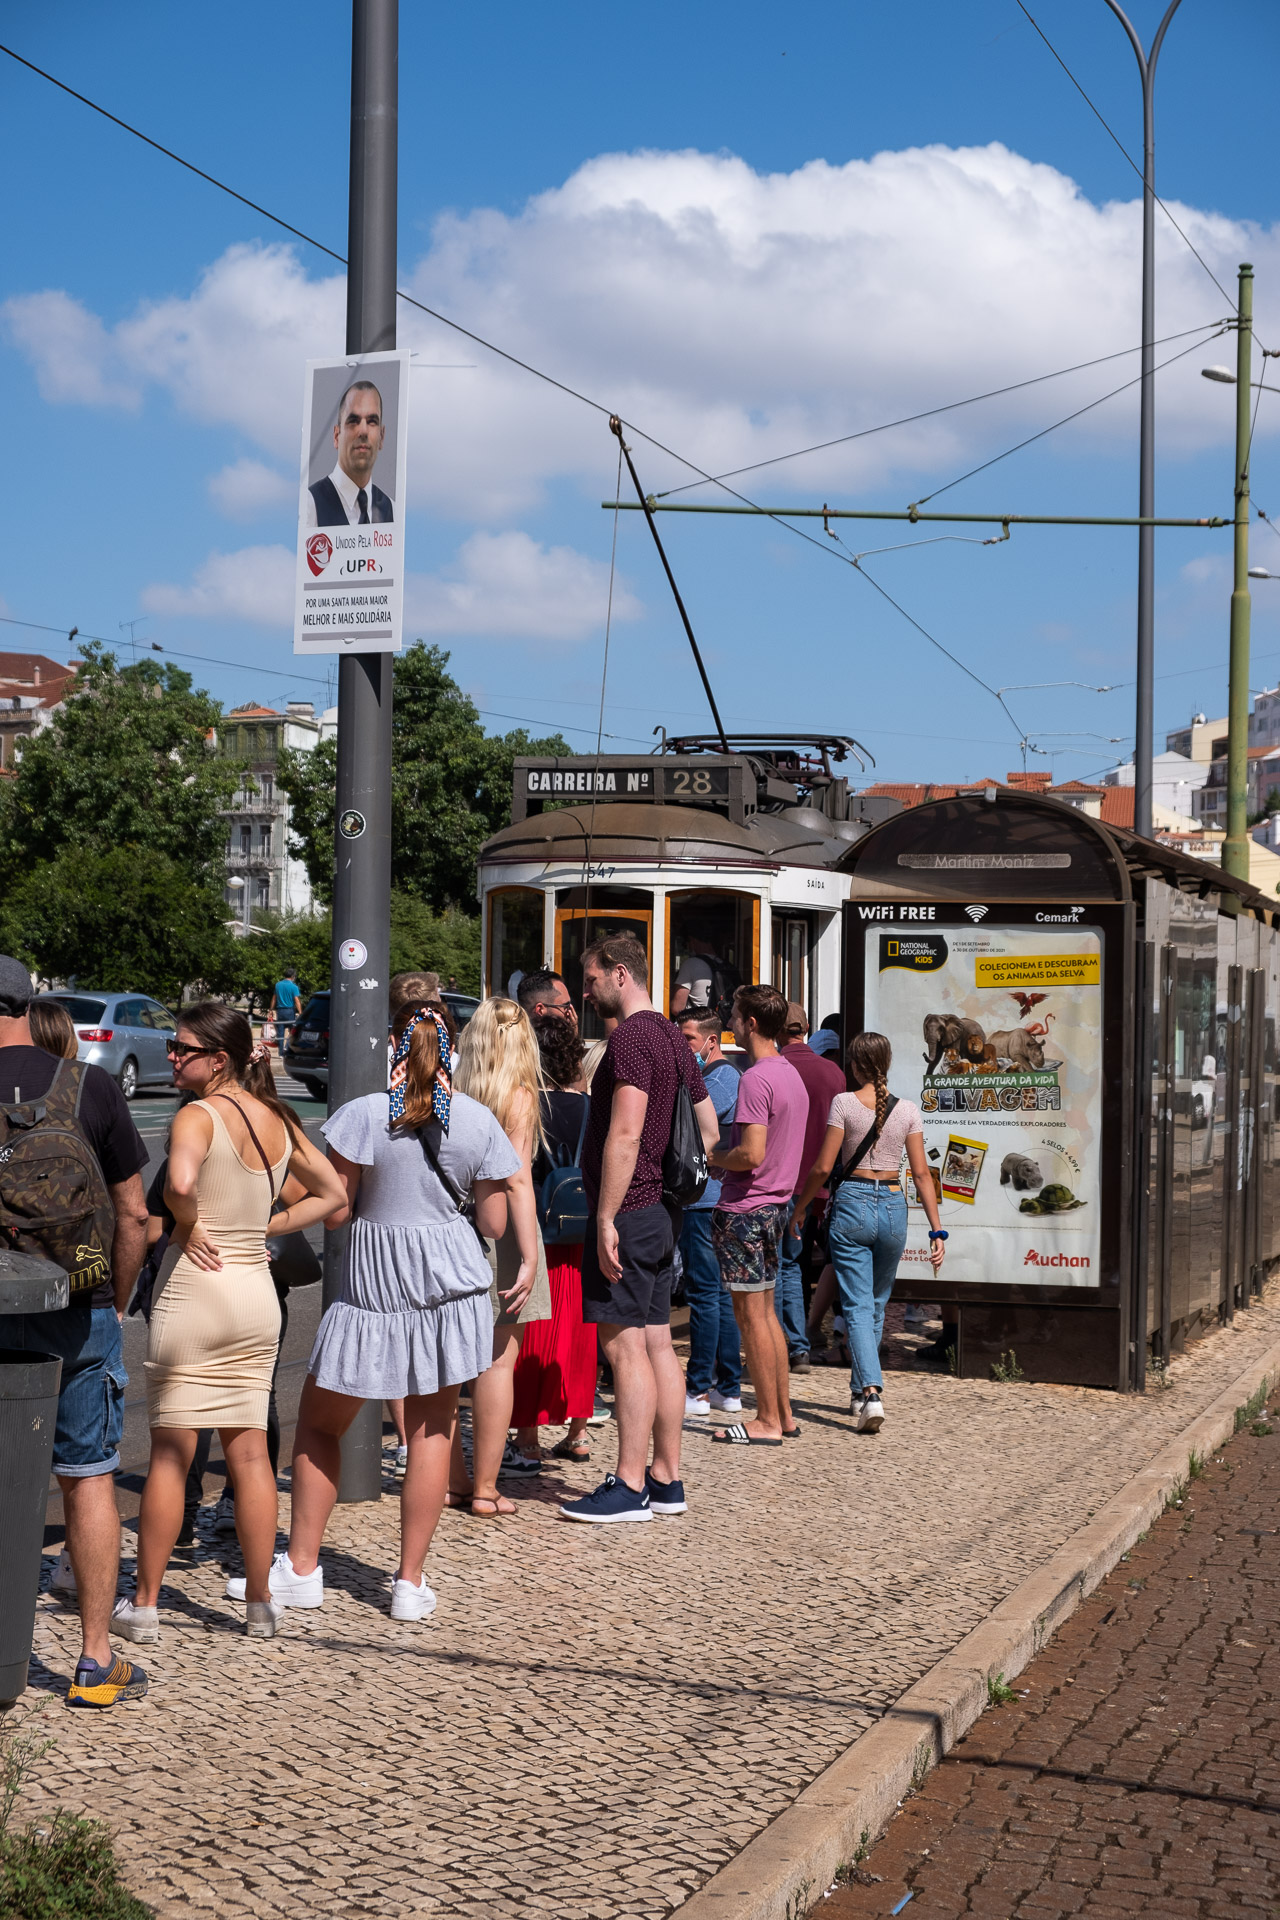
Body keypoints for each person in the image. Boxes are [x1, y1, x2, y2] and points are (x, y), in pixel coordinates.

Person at [232, 1002, 536, 1618]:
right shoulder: (476, 1121)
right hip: (449, 1293)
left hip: (371, 1291)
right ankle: (408, 1583)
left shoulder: (362, 1116)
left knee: (320, 1425)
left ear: (393, 1041)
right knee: (431, 1432)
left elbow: (338, 1211)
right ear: (449, 1049)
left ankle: (303, 1568)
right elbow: (494, 1221)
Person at [113, 1005, 343, 1642]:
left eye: (182, 1048)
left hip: (196, 1290)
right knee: (249, 1454)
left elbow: (179, 1185)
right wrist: (264, 1226)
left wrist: (188, 1223)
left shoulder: (195, 1116)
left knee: (170, 1452)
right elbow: (332, 1197)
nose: (172, 1057)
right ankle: (261, 1603)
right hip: (254, 1296)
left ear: (218, 1059)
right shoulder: (278, 1119)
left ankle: (147, 1603)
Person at [1, 961, 150, 1706]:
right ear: (29, 1005)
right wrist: (113, 1301)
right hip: (79, 1309)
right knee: (88, 1476)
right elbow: (134, 1216)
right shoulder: (87, 1085)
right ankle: (94, 1664)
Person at [562, 934, 718, 1524]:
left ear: (620, 973)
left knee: (624, 1346)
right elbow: (708, 1133)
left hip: (628, 1211)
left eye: (592, 977)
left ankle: (628, 1485)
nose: (586, 989)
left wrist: (604, 1215)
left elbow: (624, 1134)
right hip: (665, 1212)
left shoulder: (628, 1040)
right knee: (657, 1343)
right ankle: (666, 1479)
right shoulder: (677, 1041)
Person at [791, 1031, 946, 1434]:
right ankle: (859, 1390)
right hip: (894, 1207)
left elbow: (824, 1168)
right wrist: (937, 1229)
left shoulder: (844, 1103)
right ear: (888, 1063)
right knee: (875, 1305)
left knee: (858, 1307)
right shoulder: (908, 1109)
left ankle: (872, 1394)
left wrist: (802, 1206)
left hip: (853, 1205)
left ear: (856, 1065)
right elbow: (923, 1174)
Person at [447, 997, 551, 1517]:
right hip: (504, 1235)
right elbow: (518, 1181)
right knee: (497, 1362)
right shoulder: (520, 1097)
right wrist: (530, 1255)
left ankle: (453, 1478)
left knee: (445, 1363)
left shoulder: (453, 1092)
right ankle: (485, 1488)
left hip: (452, 1228)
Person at [707, 986, 807, 1447]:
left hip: (747, 1208)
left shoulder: (755, 1078)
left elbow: (750, 1153)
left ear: (750, 1023)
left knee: (751, 1318)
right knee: (766, 1316)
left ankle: (765, 1419)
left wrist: (714, 1157)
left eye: (734, 1011)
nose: (730, 1016)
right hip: (776, 1205)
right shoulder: (789, 1074)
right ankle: (781, 1413)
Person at [510, 1015, 598, 1463]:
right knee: (581, 1331)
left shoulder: (527, 1105)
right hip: (582, 1230)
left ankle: (527, 1439)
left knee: (534, 1332)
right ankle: (578, 1433)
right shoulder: (589, 1107)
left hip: (539, 1231)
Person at [675, 1011, 742, 1418]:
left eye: (687, 1038)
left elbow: (691, 1125)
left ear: (710, 1041)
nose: (683, 1046)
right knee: (718, 1295)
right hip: (709, 1197)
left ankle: (700, 1388)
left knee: (706, 1295)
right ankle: (727, 1387)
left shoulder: (720, 1080)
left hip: (707, 1201)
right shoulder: (713, 1078)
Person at [776, 1003, 847, 1371]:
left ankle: (788, 1344)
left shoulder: (773, 1069)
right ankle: (805, 1339)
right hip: (821, 1184)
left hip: (782, 1185)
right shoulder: (833, 1073)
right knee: (804, 1264)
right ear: (805, 1027)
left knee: (785, 1267)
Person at [306, 379, 394, 527]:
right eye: (353, 421)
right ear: (336, 436)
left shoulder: (393, 511)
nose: (363, 431)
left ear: (382, 436)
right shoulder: (311, 504)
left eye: (372, 421)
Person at [670, 934, 738, 1019]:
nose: (687, 947)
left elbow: (677, 1008)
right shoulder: (724, 964)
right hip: (722, 1025)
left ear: (692, 940)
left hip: (697, 1025)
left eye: (686, 943)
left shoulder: (691, 964)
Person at [272, 968, 302, 1042]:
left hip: (280, 1011)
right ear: (292, 976)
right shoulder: (294, 987)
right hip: (290, 1011)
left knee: (280, 1032)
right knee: (292, 1031)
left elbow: (274, 999)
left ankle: (281, 1051)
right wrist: (300, 1012)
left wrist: (271, 1009)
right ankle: (288, 1047)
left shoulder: (278, 985)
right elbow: (297, 1001)